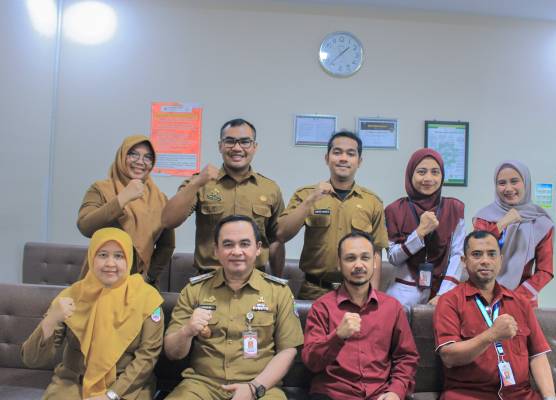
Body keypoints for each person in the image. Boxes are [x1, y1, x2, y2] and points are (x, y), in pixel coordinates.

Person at [164, 215, 303, 399]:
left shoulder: (278, 292)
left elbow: (288, 350)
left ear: (258, 248)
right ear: (216, 250)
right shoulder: (194, 290)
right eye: (228, 244)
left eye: (244, 244)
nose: (237, 252)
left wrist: (254, 388)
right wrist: (187, 331)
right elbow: (172, 353)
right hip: (202, 385)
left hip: (261, 387)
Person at [21, 227, 164, 400]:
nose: (110, 263)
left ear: (129, 259)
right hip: (74, 382)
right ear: (91, 258)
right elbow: (32, 360)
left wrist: (111, 395)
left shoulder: (147, 299)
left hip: (126, 387)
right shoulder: (71, 296)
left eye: (119, 256)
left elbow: (147, 358)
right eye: (102, 255)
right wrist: (51, 320)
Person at [433, 230, 556, 400]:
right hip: (469, 394)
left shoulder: (520, 302)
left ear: (500, 260)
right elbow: (449, 357)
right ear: (464, 261)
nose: (485, 260)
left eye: (492, 254)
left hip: (519, 395)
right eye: (477, 254)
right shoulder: (449, 301)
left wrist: (550, 397)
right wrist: (491, 335)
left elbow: (538, 355)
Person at [302, 231, 419, 400]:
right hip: (333, 394)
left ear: (374, 262)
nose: (358, 265)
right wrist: (337, 336)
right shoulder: (322, 307)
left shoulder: (392, 307)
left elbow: (406, 357)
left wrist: (396, 391)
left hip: (380, 394)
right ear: (339, 264)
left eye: (365, 257)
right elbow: (311, 363)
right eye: (350, 258)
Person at [161, 118, 286, 276]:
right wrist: (196, 183)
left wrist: (277, 281)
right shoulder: (201, 182)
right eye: (229, 141)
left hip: (255, 281)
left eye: (245, 142)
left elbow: (277, 239)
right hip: (209, 279)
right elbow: (169, 221)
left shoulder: (269, 189)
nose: (237, 148)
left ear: (254, 147)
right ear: (220, 146)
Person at [277, 131, 388, 300]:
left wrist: (371, 296)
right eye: (337, 152)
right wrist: (310, 201)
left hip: (356, 292)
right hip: (314, 291)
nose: (343, 158)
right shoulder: (306, 194)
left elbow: (376, 252)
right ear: (327, 158)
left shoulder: (372, 202)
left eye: (350, 154)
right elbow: (281, 234)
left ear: (359, 161)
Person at [77, 135, 175, 287]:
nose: (140, 162)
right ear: (122, 156)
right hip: (100, 281)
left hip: (138, 284)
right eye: (133, 154)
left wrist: (149, 276)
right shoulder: (100, 189)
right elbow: (85, 226)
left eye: (148, 157)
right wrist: (122, 199)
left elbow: (167, 245)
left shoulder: (160, 199)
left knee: (153, 304)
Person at [385, 148, 465, 307]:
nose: (428, 178)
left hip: (443, 291)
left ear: (442, 176)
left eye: (435, 172)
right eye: (421, 172)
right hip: (403, 293)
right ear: (410, 174)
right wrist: (419, 233)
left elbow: (457, 254)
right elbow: (393, 258)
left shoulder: (454, 208)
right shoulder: (394, 210)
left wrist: (443, 294)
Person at [473, 160, 554, 307]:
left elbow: (545, 271)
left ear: (526, 183)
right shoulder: (484, 218)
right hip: (484, 296)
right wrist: (501, 224)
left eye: (514, 181)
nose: (508, 188)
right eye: (502, 183)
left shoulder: (541, 223)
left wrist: (516, 297)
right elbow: (476, 254)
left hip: (523, 300)